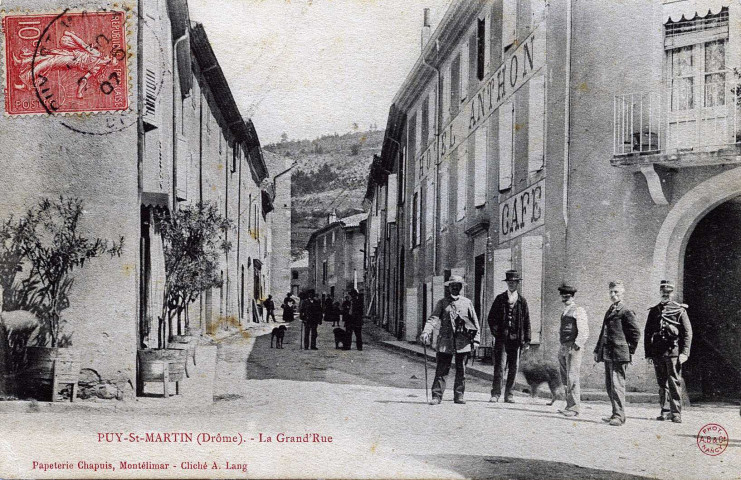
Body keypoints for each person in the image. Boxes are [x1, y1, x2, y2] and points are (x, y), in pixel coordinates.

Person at [420, 275, 480, 405]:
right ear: (449, 288)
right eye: (452, 286)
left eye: (458, 286)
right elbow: (433, 319)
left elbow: (475, 322)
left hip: (463, 342)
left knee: (462, 371)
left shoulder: (467, 303)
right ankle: (436, 396)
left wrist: (476, 340)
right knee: (442, 370)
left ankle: (459, 396)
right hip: (445, 342)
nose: (455, 288)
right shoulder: (442, 303)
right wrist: (426, 332)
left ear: (461, 288)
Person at [594, 280, 641, 426]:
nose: (613, 295)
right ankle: (616, 413)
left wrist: (628, 350)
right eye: (611, 292)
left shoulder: (626, 311)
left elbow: (636, 333)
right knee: (610, 385)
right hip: (608, 353)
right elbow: (604, 332)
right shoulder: (610, 309)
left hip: (619, 354)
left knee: (617, 385)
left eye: (616, 292)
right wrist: (597, 350)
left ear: (622, 293)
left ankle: (619, 416)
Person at [644, 280, 692, 423]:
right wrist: (648, 353)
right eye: (663, 292)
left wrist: (685, 353)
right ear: (660, 293)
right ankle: (664, 411)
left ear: (672, 293)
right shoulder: (654, 311)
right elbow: (647, 333)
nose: (666, 294)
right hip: (658, 352)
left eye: (668, 292)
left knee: (674, 382)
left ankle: (676, 413)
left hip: (673, 353)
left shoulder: (679, 310)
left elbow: (688, 332)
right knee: (661, 383)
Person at [488, 270, 530, 403]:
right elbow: (491, 318)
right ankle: (495, 394)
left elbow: (527, 321)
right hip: (502, 340)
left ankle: (509, 394)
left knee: (514, 368)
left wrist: (527, 340)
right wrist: (497, 333)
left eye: (514, 282)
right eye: (509, 282)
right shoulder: (500, 299)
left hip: (516, 341)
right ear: (507, 284)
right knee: (500, 367)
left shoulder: (522, 301)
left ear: (517, 284)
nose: (511, 285)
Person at [556, 284, 589, 417]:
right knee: (565, 377)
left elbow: (584, 331)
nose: (565, 299)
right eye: (563, 297)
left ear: (573, 296)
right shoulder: (565, 311)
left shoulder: (578, 310)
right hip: (564, 346)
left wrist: (577, 344)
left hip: (572, 347)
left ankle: (574, 407)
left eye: (567, 297)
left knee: (572, 376)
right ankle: (569, 404)